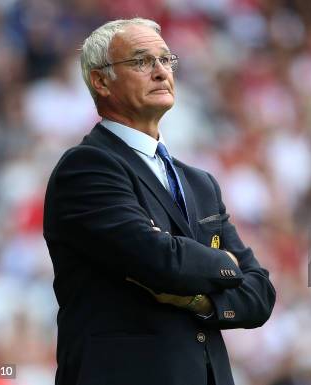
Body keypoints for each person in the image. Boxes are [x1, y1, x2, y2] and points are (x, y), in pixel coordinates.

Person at [43, 18, 276, 385]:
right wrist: (226, 262)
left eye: (166, 60)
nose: (159, 72)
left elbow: (260, 294)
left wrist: (197, 301)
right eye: (140, 61)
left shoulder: (200, 183)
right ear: (100, 81)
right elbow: (162, 262)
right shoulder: (87, 168)